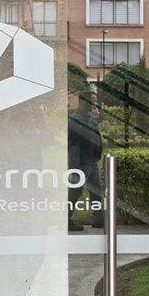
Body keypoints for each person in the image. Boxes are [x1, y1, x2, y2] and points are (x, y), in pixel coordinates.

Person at [67, 90, 104, 230]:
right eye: (92, 101)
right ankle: (66, 220)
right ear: (83, 102)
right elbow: (85, 135)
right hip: (81, 162)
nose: (95, 105)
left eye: (95, 101)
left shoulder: (87, 118)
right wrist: (93, 119)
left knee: (96, 191)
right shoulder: (75, 118)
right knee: (75, 191)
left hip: (91, 160)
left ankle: (99, 219)